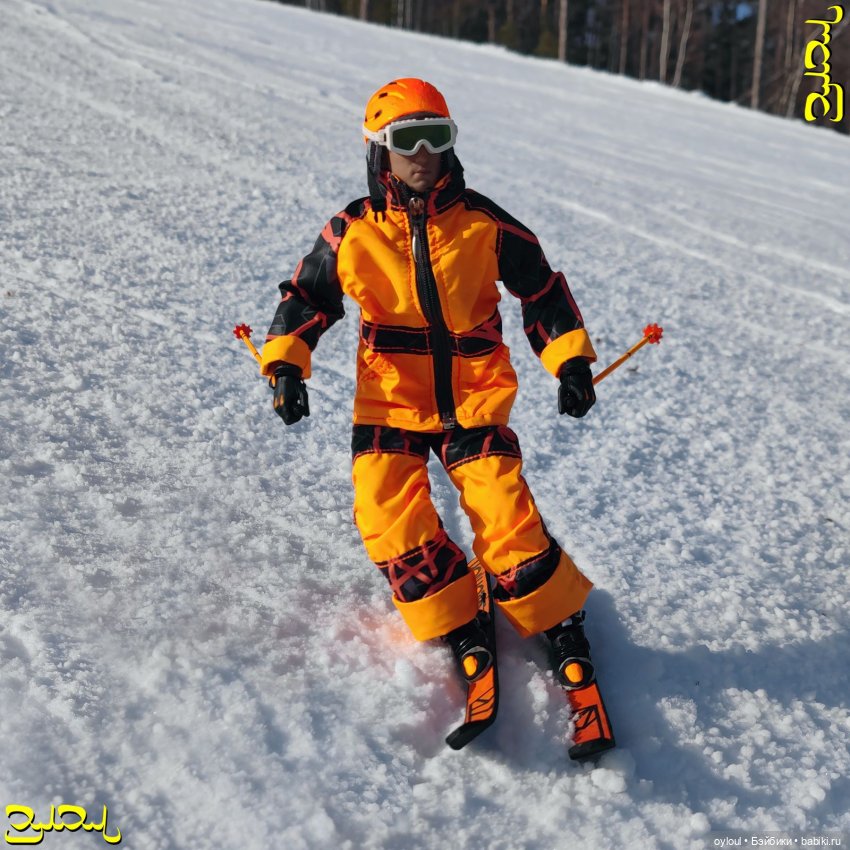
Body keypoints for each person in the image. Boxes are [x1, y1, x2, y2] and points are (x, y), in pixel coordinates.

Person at [260, 78, 599, 687]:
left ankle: (557, 618)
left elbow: (542, 290)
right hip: (389, 405)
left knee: (504, 510)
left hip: (473, 404)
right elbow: (308, 295)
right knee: (386, 512)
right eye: (405, 140)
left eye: (435, 138)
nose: (421, 154)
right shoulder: (353, 231)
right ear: (378, 149)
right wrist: (287, 364)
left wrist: (570, 362)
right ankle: (452, 615)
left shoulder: (483, 225)